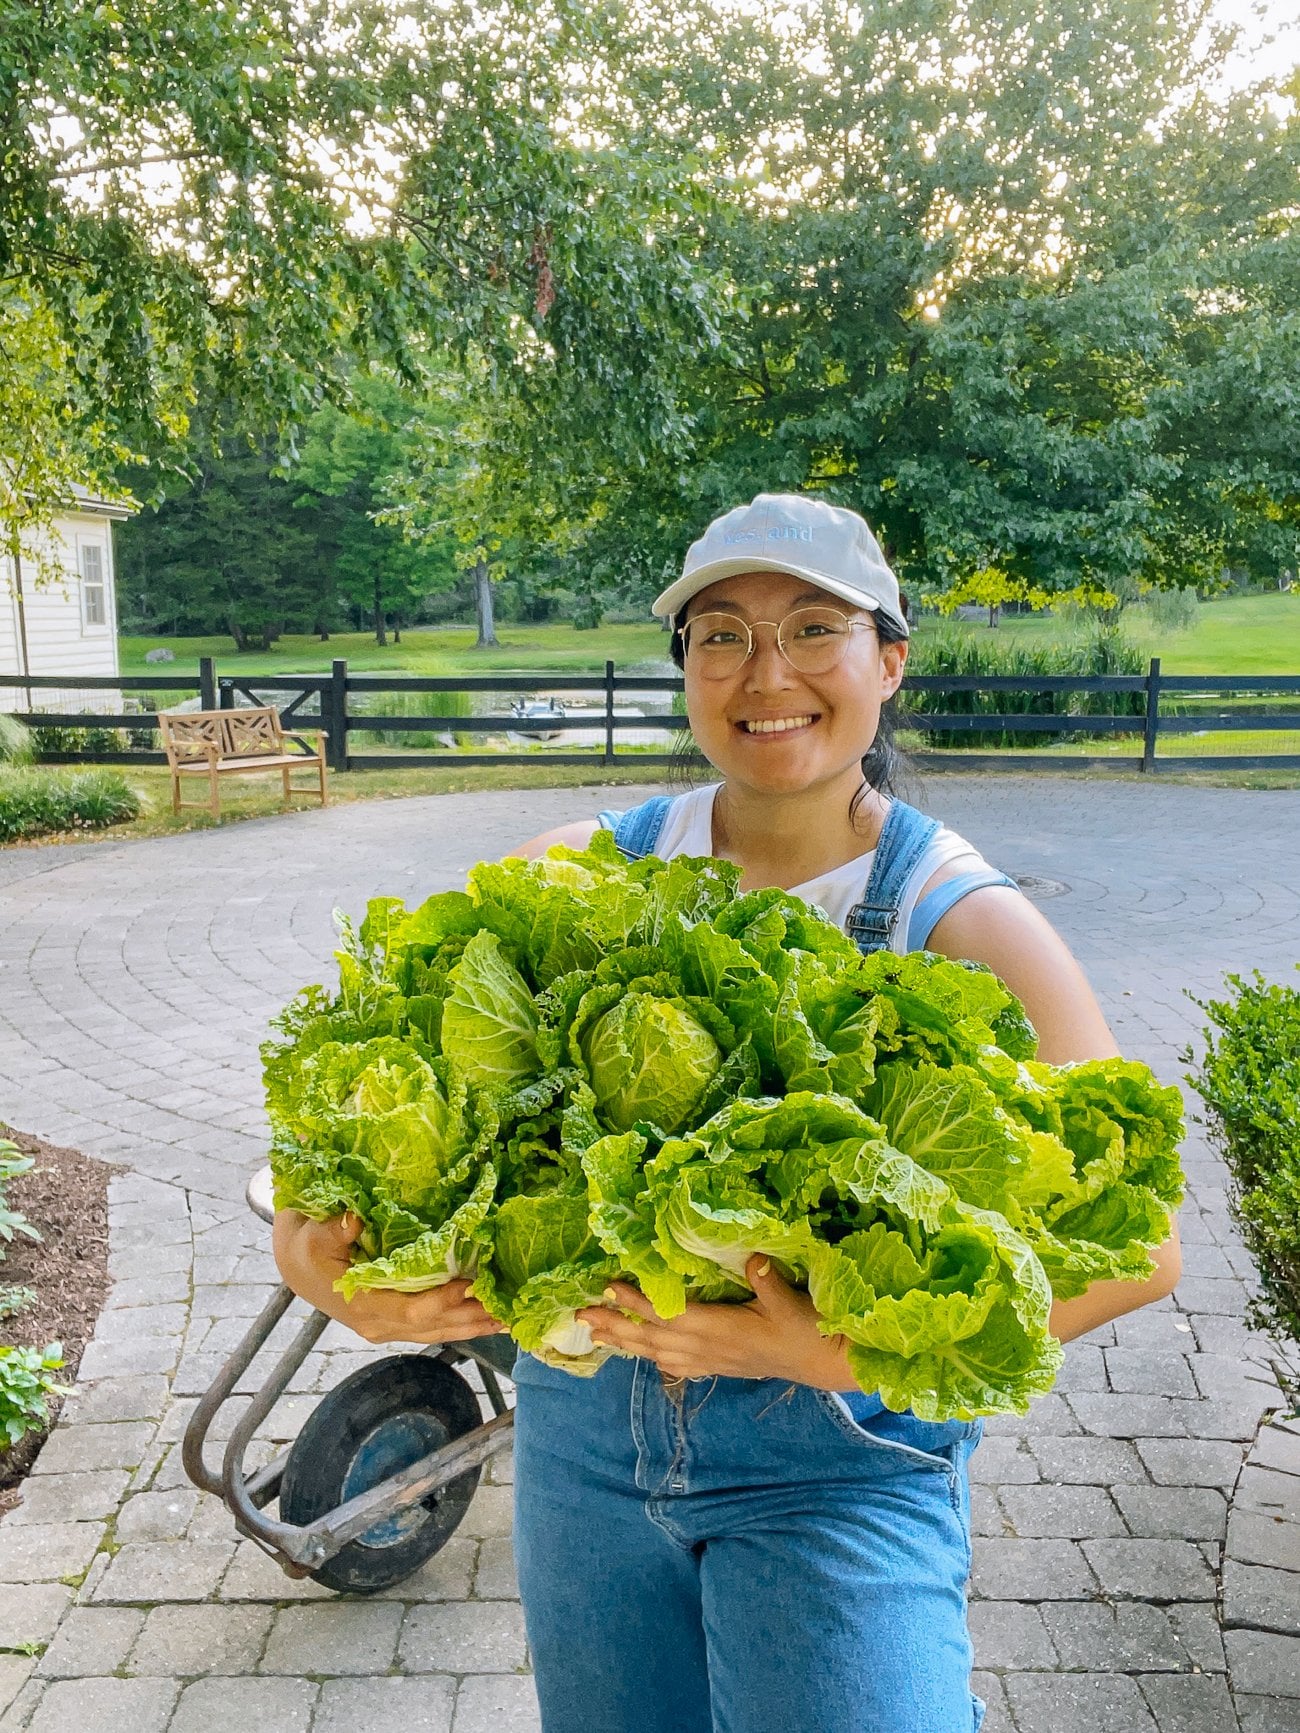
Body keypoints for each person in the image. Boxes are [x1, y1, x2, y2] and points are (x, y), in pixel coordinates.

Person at [273, 493, 1182, 1733]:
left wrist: (830, 1352)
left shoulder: (959, 917)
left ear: (888, 659)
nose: (767, 672)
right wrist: (319, 1262)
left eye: (815, 628)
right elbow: (344, 1117)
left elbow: (1145, 1249)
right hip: (582, 1458)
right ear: (686, 666)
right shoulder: (579, 871)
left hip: (840, 1471)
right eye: (720, 634)